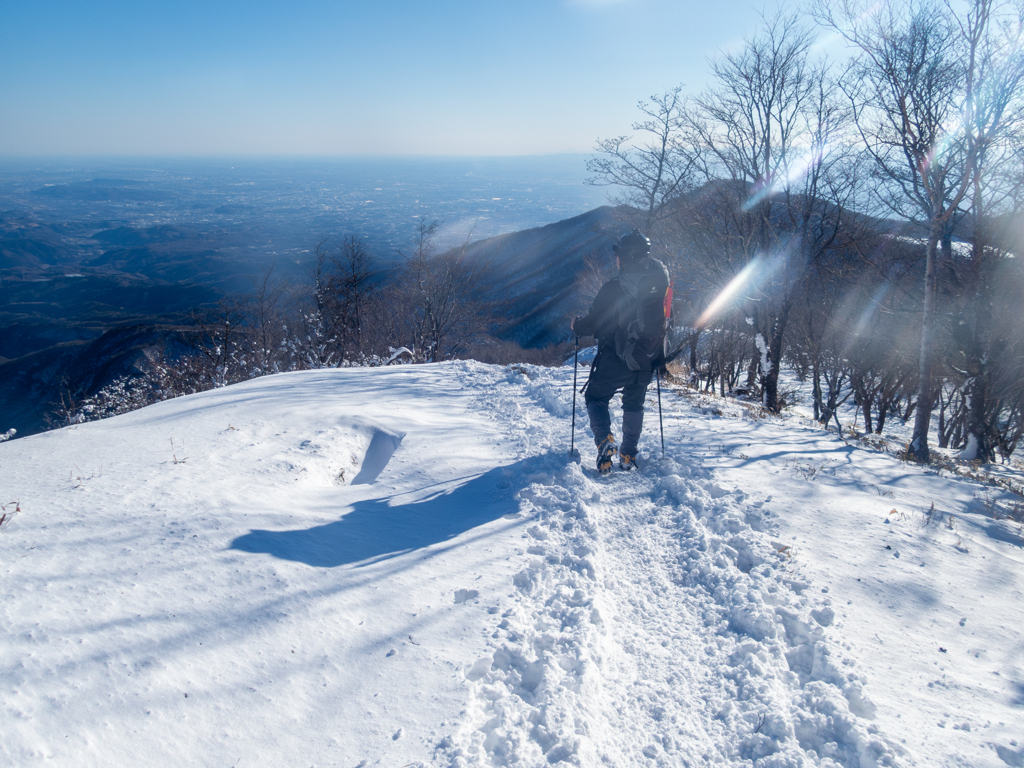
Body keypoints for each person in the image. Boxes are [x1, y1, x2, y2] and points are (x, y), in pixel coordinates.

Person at [571, 229, 671, 473]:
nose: (615, 259)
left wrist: (577, 326)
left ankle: (605, 441)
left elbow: (593, 323)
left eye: (618, 254)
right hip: (648, 353)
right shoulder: (661, 285)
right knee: (634, 403)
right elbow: (666, 317)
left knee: (595, 397)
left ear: (625, 256)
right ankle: (628, 455)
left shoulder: (615, 286)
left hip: (618, 355)